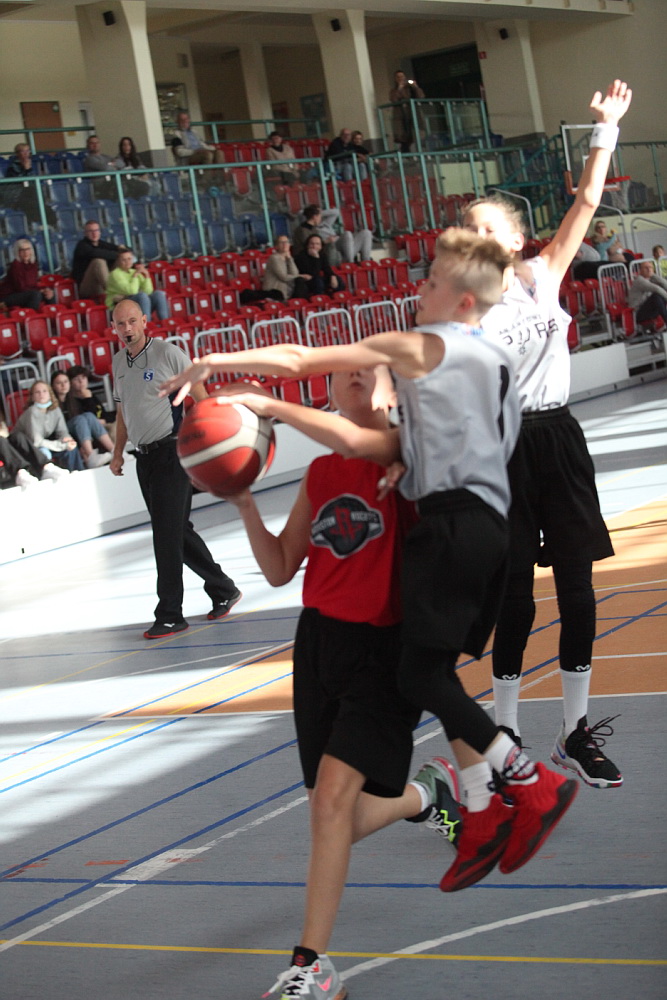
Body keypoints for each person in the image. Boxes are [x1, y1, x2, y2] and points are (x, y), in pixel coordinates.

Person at [161, 228, 579, 899]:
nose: (419, 289)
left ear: (463, 301)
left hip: (453, 526)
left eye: (432, 281)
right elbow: (453, 437)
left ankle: (528, 780)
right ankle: (477, 809)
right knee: (428, 672)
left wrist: (228, 370)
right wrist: (409, 458)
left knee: (420, 673)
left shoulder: (427, 345)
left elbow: (302, 361)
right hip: (487, 524)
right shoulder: (486, 357)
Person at [215, 370, 461, 999]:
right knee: (335, 820)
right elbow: (279, 568)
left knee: (328, 806)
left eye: (369, 367)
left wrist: (270, 404)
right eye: (344, 368)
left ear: (393, 392)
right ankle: (425, 794)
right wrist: (244, 502)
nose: (354, 371)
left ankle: (313, 966)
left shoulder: (409, 459)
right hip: (320, 645)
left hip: (386, 649)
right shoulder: (321, 473)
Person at [463, 78, 632, 789]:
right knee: (513, 600)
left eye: (486, 227)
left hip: (558, 439)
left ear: (511, 236)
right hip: (501, 449)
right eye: (467, 231)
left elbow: (587, 201)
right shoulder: (462, 308)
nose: (476, 238)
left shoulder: (541, 274)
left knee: (578, 592)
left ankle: (573, 731)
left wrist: (604, 129)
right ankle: (504, 735)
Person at [109, 298, 241, 639]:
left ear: (144, 321)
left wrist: (209, 444)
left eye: (132, 321)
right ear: (114, 328)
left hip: (172, 453)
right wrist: (118, 452)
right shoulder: (118, 362)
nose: (127, 328)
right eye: (120, 323)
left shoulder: (168, 354)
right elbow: (123, 412)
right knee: (176, 531)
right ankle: (223, 588)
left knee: (165, 536)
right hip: (144, 459)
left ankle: (170, 614)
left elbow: (201, 397)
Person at [13, 380, 83, 473]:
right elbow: (37, 442)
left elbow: (62, 431)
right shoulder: (31, 412)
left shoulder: (55, 409)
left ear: (50, 394)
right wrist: (61, 445)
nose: (41, 394)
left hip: (46, 443)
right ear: (32, 397)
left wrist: (67, 440)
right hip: (31, 448)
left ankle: (78, 473)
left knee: (71, 449)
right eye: (37, 392)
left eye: (44, 391)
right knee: (44, 452)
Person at [50, 368, 114, 468]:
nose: (63, 385)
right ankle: (91, 455)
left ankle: (116, 451)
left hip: (77, 433)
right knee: (80, 419)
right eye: (59, 383)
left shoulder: (73, 401)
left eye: (65, 382)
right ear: (53, 386)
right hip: (62, 435)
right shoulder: (51, 404)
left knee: (88, 416)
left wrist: (88, 399)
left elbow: (89, 420)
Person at [292, 204, 372, 266]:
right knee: (347, 234)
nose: (321, 217)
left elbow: (336, 212)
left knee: (366, 233)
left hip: (344, 248)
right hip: (329, 250)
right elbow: (310, 246)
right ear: (314, 217)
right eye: (319, 215)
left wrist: (319, 212)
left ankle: (366, 262)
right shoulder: (303, 229)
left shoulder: (320, 225)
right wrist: (326, 241)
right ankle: (350, 262)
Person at [105, 249, 169, 321]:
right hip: (118, 306)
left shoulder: (133, 271)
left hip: (135, 303)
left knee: (158, 294)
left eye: (129, 259)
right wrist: (135, 275)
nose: (127, 262)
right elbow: (132, 291)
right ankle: (146, 323)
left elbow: (148, 291)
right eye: (124, 260)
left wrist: (147, 275)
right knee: (142, 296)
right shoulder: (115, 274)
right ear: (118, 261)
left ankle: (165, 322)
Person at [2, 142, 56, 226]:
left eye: (27, 151)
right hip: (16, 194)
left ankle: (50, 224)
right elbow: (21, 181)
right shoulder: (13, 167)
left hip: (28, 194)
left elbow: (32, 181)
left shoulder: (30, 164)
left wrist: (28, 168)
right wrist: (27, 169)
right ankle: (40, 224)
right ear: (17, 153)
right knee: (33, 203)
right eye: (23, 151)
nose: (26, 153)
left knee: (43, 205)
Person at [71, 221, 127, 300]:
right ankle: (114, 294)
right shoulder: (82, 246)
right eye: (90, 231)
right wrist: (119, 253)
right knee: (98, 262)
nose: (94, 233)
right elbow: (95, 253)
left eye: (96, 230)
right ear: (85, 233)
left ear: (100, 232)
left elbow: (127, 251)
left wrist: (121, 250)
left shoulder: (101, 244)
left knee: (123, 259)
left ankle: (125, 288)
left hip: (102, 285)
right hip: (87, 288)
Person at [0, 239, 55, 312]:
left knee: (49, 294)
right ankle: (31, 317)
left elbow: (33, 285)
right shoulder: (15, 265)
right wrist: (39, 291)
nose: (26, 252)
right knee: (35, 295)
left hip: (26, 293)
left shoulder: (33, 265)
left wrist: (44, 290)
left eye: (27, 249)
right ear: (18, 252)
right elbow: (21, 288)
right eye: (22, 250)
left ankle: (51, 316)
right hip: (9, 296)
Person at [293, 234, 341, 299]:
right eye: (312, 244)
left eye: (317, 244)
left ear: (321, 246)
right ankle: (319, 301)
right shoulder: (301, 256)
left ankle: (336, 299)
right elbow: (313, 273)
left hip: (316, 278)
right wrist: (316, 258)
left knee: (338, 280)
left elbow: (327, 268)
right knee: (318, 282)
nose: (314, 246)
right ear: (307, 245)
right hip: (306, 280)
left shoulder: (322, 254)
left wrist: (332, 275)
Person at [389, 70, 425, 152]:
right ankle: (405, 152)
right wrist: (399, 88)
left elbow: (421, 96)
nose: (400, 79)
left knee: (414, 133)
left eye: (402, 76)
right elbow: (394, 99)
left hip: (412, 113)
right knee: (403, 136)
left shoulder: (410, 88)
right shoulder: (393, 90)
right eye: (398, 77)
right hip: (401, 115)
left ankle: (415, 151)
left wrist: (415, 87)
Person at [627, 259, 667, 328]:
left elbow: (665, 284)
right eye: (646, 268)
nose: (649, 269)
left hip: (647, 310)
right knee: (656, 296)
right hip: (637, 313)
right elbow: (656, 289)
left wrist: (654, 275)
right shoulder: (639, 280)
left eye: (650, 267)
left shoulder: (651, 279)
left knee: (661, 296)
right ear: (640, 271)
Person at [261, 235, 300, 300]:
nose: (285, 244)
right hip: (275, 292)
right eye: (281, 242)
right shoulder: (274, 258)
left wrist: (290, 259)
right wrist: (300, 276)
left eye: (286, 242)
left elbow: (295, 273)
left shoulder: (288, 258)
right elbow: (284, 277)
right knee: (300, 280)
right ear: (276, 246)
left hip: (287, 290)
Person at [83, 135, 119, 200]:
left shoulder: (106, 156)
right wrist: (112, 165)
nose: (95, 145)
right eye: (92, 143)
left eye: (97, 143)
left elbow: (120, 163)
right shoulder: (89, 159)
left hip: (111, 181)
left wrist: (110, 165)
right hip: (100, 184)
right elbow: (105, 168)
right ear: (88, 145)